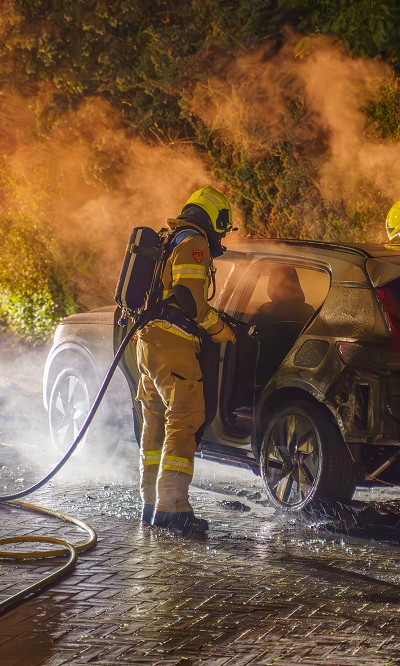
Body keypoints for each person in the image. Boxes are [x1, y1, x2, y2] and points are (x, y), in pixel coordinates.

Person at [137, 186, 236, 535]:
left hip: (148, 344)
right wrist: (222, 330)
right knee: (184, 421)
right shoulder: (194, 244)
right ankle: (172, 508)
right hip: (174, 346)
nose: (222, 233)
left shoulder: (171, 238)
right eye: (223, 225)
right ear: (215, 218)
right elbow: (192, 302)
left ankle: (151, 503)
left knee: (156, 425)